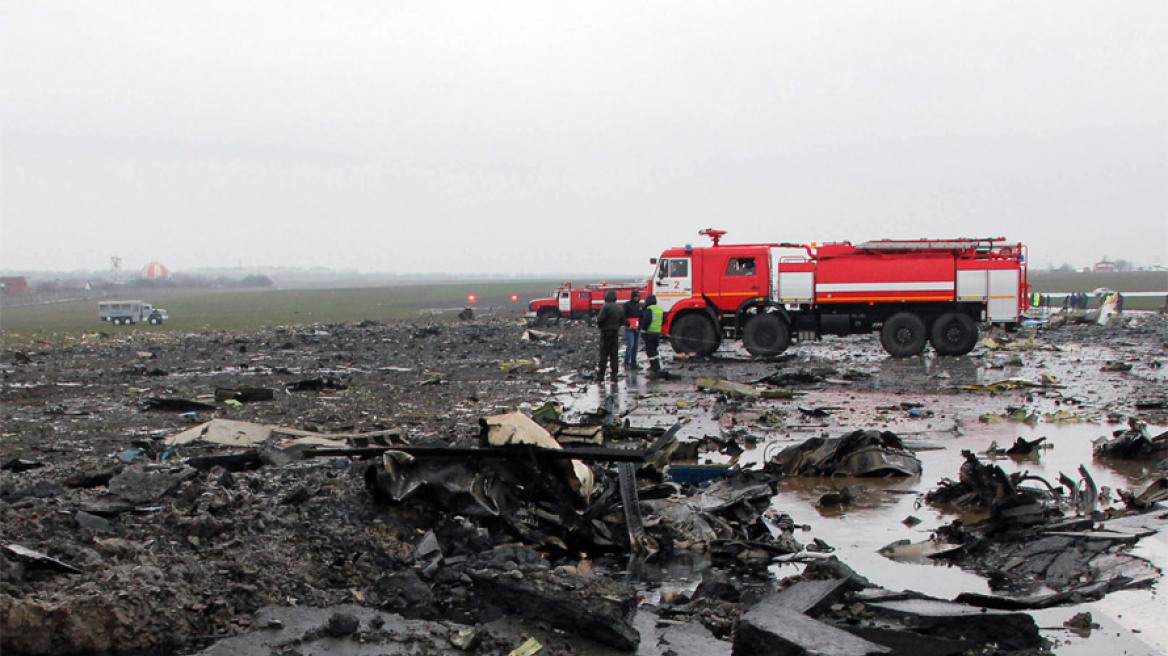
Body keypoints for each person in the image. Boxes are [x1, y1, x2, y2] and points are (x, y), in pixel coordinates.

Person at [595, 290, 623, 383]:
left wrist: (601, 326)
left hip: (605, 333)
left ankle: (601, 376)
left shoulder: (605, 307)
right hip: (615, 333)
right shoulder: (619, 307)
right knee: (614, 354)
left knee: (603, 354)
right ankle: (614, 376)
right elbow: (622, 320)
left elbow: (600, 319)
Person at [641, 294, 664, 373]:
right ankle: (657, 365)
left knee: (650, 351)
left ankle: (653, 367)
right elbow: (663, 320)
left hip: (650, 333)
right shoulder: (659, 309)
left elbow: (646, 321)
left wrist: (643, 329)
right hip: (657, 332)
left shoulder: (649, 309)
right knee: (655, 350)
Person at [622, 289, 643, 371]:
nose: (637, 298)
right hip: (629, 328)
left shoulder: (640, 306)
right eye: (636, 296)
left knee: (635, 346)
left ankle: (633, 363)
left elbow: (642, 317)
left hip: (637, 329)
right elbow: (623, 316)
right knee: (630, 345)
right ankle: (626, 363)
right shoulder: (627, 305)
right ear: (632, 296)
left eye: (638, 296)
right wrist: (628, 324)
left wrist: (640, 326)